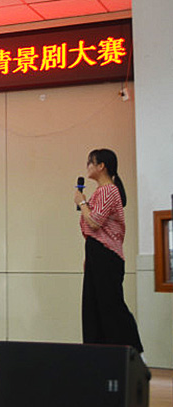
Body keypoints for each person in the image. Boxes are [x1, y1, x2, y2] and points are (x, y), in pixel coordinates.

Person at [74, 148, 143, 353]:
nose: (87, 166)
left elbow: (95, 222)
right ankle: (98, 354)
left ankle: (132, 352)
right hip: (96, 253)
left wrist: (81, 202)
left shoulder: (108, 190)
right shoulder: (101, 191)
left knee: (110, 305)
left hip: (106, 254)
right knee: (93, 306)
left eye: (90, 162)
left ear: (101, 166)